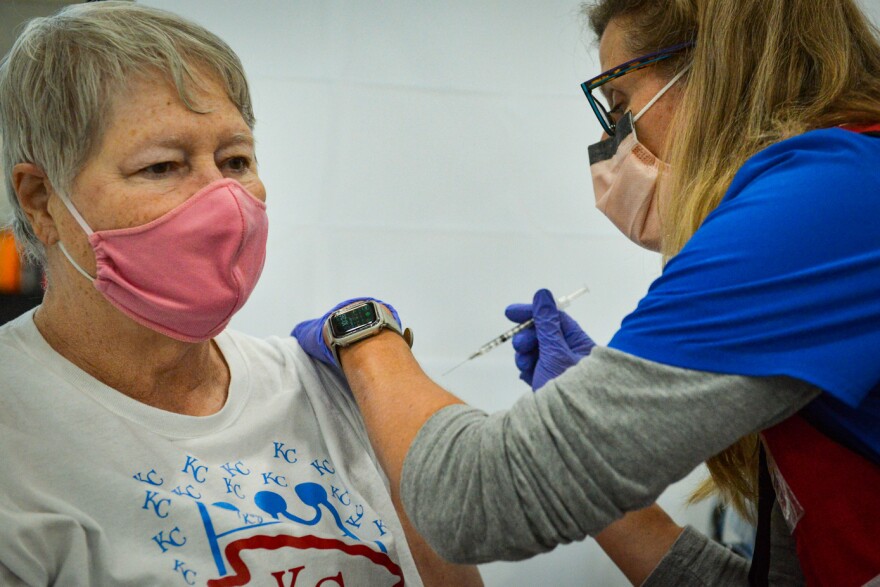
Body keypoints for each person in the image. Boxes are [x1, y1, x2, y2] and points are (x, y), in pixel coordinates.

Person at [292, 0, 880, 585]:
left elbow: (473, 502)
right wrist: (592, 454)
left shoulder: (828, 201)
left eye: (621, 105)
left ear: (717, 68)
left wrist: (364, 333)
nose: (611, 145)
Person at [0, 3, 483, 586]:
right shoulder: (17, 437)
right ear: (39, 199)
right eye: (161, 166)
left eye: (235, 160)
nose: (223, 201)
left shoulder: (328, 389)